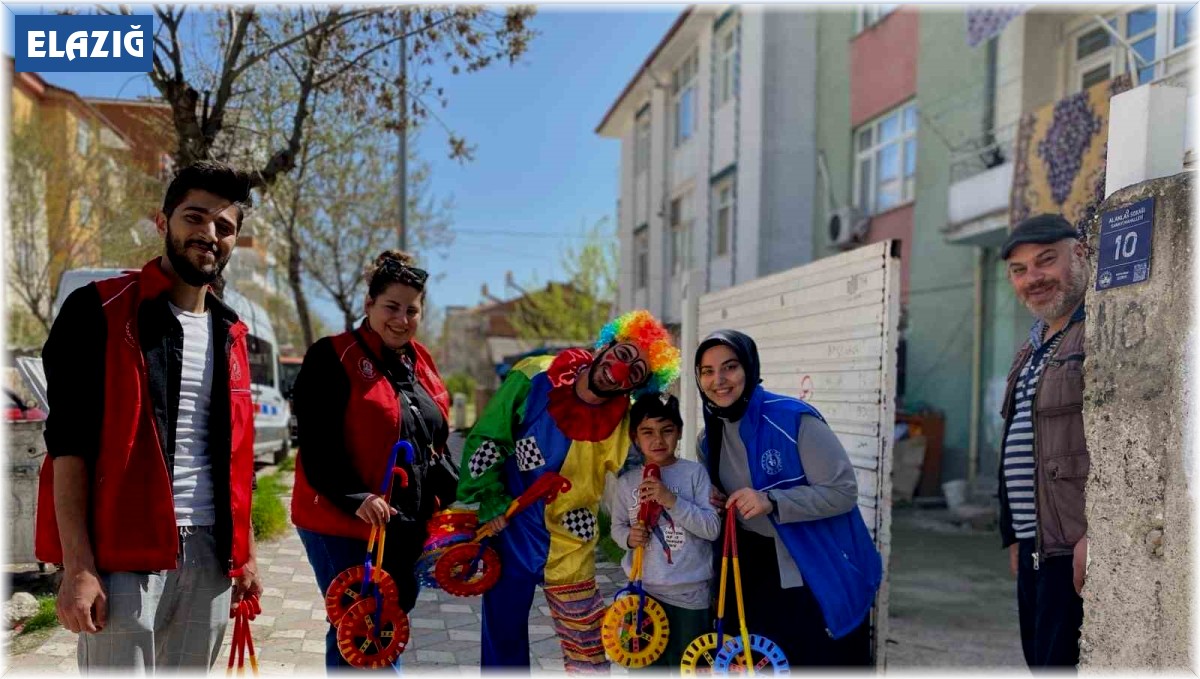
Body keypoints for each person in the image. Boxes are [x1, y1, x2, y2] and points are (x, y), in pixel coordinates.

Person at [34, 160, 263, 671]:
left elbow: (234, 456)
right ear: (163, 223)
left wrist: (244, 555)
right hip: (121, 557)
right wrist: (78, 568)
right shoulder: (99, 310)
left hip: (209, 559)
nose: (208, 234)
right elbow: (68, 447)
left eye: (223, 227)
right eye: (194, 217)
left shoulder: (232, 334)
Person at [457, 310, 680, 672]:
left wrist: (694, 491)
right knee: (503, 639)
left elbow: (654, 462)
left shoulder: (625, 422)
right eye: (624, 354)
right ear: (607, 345)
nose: (621, 370)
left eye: (636, 373)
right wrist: (490, 499)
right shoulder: (535, 374)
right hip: (511, 530)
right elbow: (489, 438)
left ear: (634, 387)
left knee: (587, 645)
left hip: (571, 539)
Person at [290, 250, 453, 671]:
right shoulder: (332, 355)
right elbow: (315, 441)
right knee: (360, 627)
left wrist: (454, 495)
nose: (401, 319)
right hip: (341, 520)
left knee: (386, 626)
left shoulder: (421, 361)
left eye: (411, 310)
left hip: (402, 525)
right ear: (368, 306)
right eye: (391, 307)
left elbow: (434, 436)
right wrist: (355, 496)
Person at [695, 329, 881, 667]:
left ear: (749, 368)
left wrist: (773, 501)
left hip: (811, 565)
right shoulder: (709, 438)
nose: (718, 380)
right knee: (754, 660)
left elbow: (843, 492)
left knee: (813, 659)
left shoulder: (793, 419)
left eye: (730, 367)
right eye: (707, 371)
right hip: (749, 567)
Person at [998, 214, 1091, 670]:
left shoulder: (1097, 330)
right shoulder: (1032, 345)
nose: (1032, 278)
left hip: (1073, 549)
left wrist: (1099, 534)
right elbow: (1018, 445)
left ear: (1080, 254)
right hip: (1037, 546)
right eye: (1019, 270)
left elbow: (1120, 443)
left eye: (1045, 261)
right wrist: (1014, 533)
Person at [605, 392, 720, 671]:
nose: (658, 440)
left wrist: (672, 501)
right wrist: (628, 538)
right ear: (635, 437)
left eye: (667, 430)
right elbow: (617, 527)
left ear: (679, 432)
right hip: (643, 595)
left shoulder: (694, 475)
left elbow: (712, 529)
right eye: (648, 432)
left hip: (690, 597)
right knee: (645, 668)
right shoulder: (627, 483)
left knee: (690, 668)